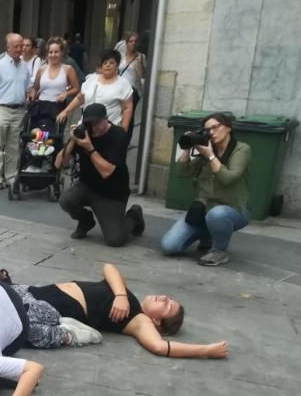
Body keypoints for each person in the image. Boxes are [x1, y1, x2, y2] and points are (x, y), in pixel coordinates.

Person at [20, 263, 228, 358]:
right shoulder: (126, 295)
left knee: (13, 321)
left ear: (156, 321)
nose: (165, 298)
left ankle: (65, 334)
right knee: (3, 291)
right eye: (169, 298)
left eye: (167, 306)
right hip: (38, 292)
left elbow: (159, 347)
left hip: (48, 308)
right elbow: (109, 267)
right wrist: (120, 294)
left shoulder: (140, 320)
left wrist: (206, 350)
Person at [160, 112, 251, 267]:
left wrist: (210, 156)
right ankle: (207, 234)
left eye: (215, 127)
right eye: (208, 130)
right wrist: (187, 148)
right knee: (169, 246)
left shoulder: (241, 149)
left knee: (217, 214)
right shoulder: (206, 148)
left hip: (234, 210)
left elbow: (228, 178)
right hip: (203, 210)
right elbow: (183, 173)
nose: (212, 132)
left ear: (228, 127)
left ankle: (219, 251)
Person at [55, 103, 144, 246]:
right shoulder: (85, 133)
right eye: (90, 124)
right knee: (66, 200)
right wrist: (72, 141)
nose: (94, 128)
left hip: (111, 194)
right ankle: (86, 221)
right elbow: (59, 164)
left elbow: (106, 172)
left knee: (115, 240)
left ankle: (134, 215)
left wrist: (89, 148)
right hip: (87, 186)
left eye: (97, 123)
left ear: (106, 119)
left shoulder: (118, 135)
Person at [0, 33, 31, 189]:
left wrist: (30, 95)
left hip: (19, 111)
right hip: (2, 109)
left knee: (13, 147)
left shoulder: (24, 66)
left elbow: (28, 88)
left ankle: (11, 177)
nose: (20, 49)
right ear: (8, 47)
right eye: (16, 46)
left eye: (21, 46)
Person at [57, 50, 133, 136]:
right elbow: (80, 98)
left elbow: (127, 108)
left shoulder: (123, 84)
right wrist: (66, 111)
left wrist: (123, 129)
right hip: (86, 126)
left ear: (117, 65)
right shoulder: (91, 79)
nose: (107, 65)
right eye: (105, 63)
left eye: (111, 63)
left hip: (108, 129)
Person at [29, 37, 79, 122]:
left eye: (56, 52)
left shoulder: (68, 69)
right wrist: (32, 95)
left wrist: (66, 94)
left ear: (62, 52)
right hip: (41, 107)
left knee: (54, 131)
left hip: (58, 107)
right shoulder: (41, 69)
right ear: (47, 53)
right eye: (50, 52)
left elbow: (76, 88)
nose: (53, 55)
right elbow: (35, 88)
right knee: (38, 131)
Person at [118, 33, 146, 139]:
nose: (133, 43)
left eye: (135, 41)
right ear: (126, 43)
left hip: (133, 89)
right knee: (118, 112)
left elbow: (144, 73)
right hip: (120, 88)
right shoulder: (121, 56)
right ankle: (118, 134)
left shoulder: (141, 57)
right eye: (131, 41)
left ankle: (126, 137)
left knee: (129, 113)